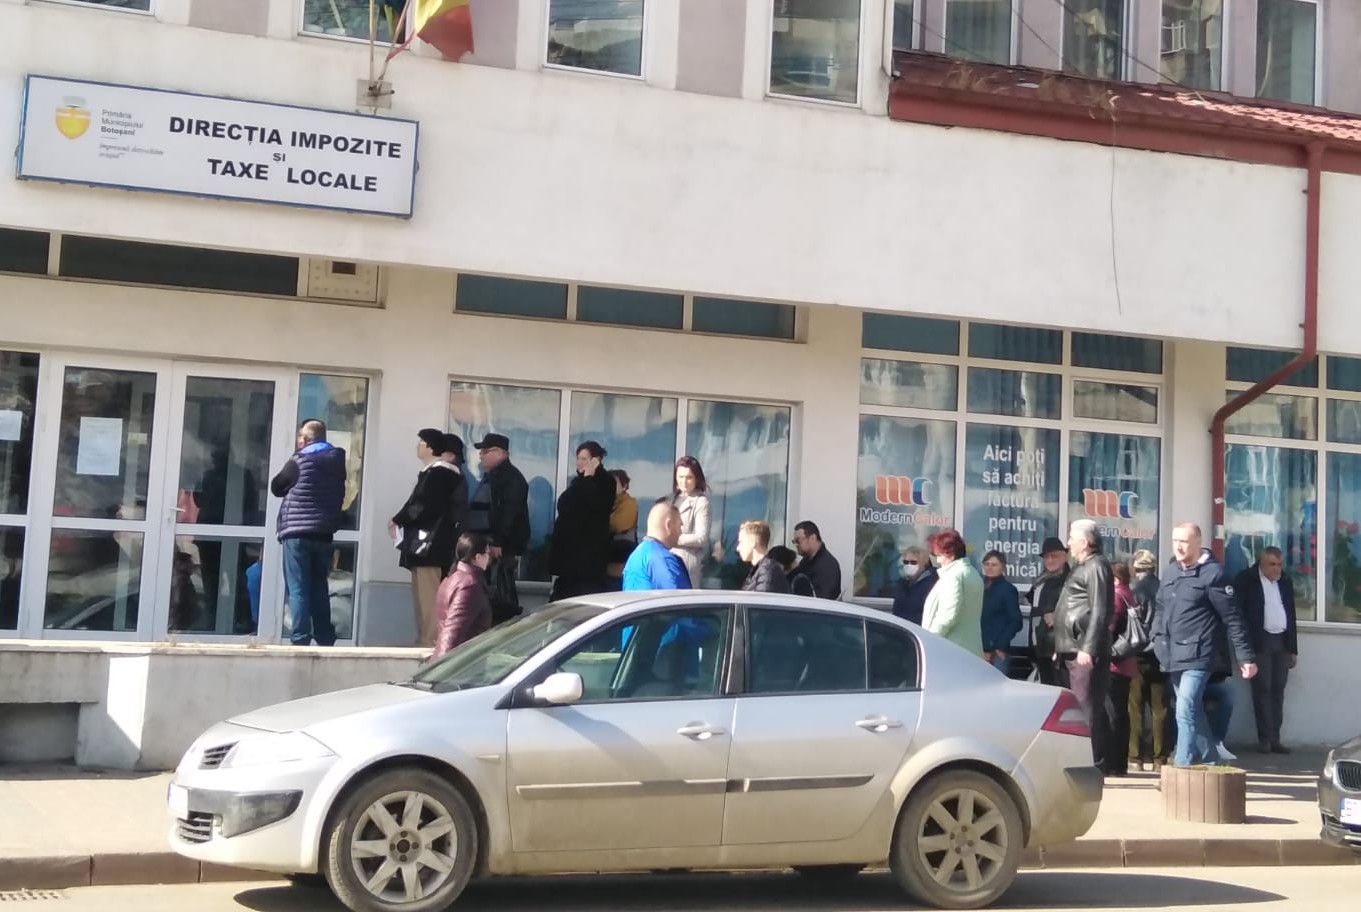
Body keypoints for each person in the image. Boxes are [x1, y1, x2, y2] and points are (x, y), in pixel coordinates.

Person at [1153, 522, 1258, 768]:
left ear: (1198, 543)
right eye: (1175, 541)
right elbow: (1160, 608)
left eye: (1184, 541)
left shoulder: (1214, 575)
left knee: (1185, 707)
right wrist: (1157, 637)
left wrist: (1245, 657)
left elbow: (1233, 618)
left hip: (1200, 654)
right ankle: (1211, 759)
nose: (1179, 546)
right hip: (1171, 653)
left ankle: (1182, 765)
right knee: (1192, 710)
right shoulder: (1171, 572)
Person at [270, 419, 346, 646]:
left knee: (298, 588)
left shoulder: (300, 460)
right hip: (323, 533)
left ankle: (300, 637)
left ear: (305, 439)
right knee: (319, 586)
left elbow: (277, 487)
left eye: (300, 436)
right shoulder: (337, 462)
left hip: (297, 533)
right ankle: (324, 636)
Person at [389, 428, 467, 648]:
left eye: (422, 443)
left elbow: (423, 505)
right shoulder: (434, 473)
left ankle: (430, 642)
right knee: (422, 596)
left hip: (431, 545)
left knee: (429, 597)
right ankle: (425, 639)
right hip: (426, 545)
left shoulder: (440, 474)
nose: (418, 446)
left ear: (432, 448)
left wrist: (399, 519)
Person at [1054, 519, 1115, 771]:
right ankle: (1078, 759)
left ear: (1085, 542)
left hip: (1084, 651)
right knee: (1075, 708)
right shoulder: (1083, 567)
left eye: (1072, 538)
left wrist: (1088, 648)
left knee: (1086, 708)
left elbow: (1100, 610)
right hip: (1072, 648)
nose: (1068, 543)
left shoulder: (1097, 566)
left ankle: (1089, 762)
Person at [1233, 546, 1299, 754]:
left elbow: (1291, 614)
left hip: (1281, 642)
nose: (1277, 569)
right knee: (1263, 690)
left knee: (1278, 689)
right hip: (1259, 642)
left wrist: (1293, 648)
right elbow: (1237, 615)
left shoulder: (1284, 581)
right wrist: (1244, 650)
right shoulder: (1247, 580)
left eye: (1279, 564)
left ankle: (1275, 738)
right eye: (1272, 564)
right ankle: (1265, 739)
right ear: (1261, 563)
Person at [467, 433, 530, 625]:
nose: (481, 456)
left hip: (500, 547)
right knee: (488, 590)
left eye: (485, 451)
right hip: (487, 544)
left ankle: (504, 627)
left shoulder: (511, 478)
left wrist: (498, 542)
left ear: (500, 453)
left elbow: (510, 512)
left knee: (500, 591)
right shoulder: (493, 476)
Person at [548, 441, 616, 600]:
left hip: (587, 556)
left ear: (596, 460)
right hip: (569, 555)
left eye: (584, 459)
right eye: (578, 458)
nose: (579, 462)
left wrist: (589, 478)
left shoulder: (605, 481)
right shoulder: (578, 481)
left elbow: (591, 505)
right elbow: (564, 505)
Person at [1127, 549, 1169, 771]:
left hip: (1137, 653)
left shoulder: (1133, 590)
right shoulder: (1164, 589)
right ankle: (1160, 758)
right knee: (1160, 709)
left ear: (1135, 567)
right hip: (1160, 652)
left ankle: (1135, 757)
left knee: (1135, 707)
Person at [920, 529, 984, 655]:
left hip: (950, 648)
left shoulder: (953, 576)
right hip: (970, 648)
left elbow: (947, 616)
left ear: (951, 554)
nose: (938, 560)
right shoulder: (972, 573)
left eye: (939, 555)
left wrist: (930, 639)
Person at [432, 532, 494, 659]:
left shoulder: (451, 579)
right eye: (488, 553)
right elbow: (452, 632)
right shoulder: (469, 585)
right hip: (463, 663)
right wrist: (443, 667)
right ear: (478, 557)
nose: (489, 558)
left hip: (461, 661)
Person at [1105, 562, 1141, 777]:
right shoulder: (1129, 594)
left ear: (1115, 579)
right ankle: (1120, 763)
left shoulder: (1116, 596)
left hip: (1113, 663)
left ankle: (1111, 763)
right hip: (1126, 663)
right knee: (1121, 713)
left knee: (1111, 714)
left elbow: (1108, 627)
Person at [1026, 537, 1071, 686]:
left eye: (1054, 556)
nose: (1050, 560)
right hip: (1040, 644)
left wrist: (1057, 616)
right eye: (1047, 557)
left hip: (1058, 647)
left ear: (1064, 556)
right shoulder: (1041, 580)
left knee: (1060, 688)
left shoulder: (1069, 580)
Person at [622, 501, 692, 591]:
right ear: (668, 525)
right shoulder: (664, 559)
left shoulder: (634, 557)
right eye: (679, 526)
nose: (681, 532)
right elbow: (679, 597)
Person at [671, 456, 711, 588]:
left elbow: (701, 537)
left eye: (689, 477)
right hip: (669, 557)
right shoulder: (672, 498)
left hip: (687, 562)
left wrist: (673, 538)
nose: (684, 482)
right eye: (680, 477)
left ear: (696, 478)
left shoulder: (701, 502)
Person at [980, 550, 1023, 673]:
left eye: (994, 565)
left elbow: (1016, 621)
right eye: (987, 564)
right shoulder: (979, 586)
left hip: (996, 652)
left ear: (1003, 567)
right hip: (978, 648)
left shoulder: (1008, 590)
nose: (990, 567)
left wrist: (1000, 646)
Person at [604, 469, 639, 590]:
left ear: (624, 486)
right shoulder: (605, 502)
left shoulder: (629, 504)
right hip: (605, 562)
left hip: (621, 560)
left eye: (614, 483)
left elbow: (618, 524)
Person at [791, 520, 842, 600]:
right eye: (794, 541)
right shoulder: (806, 561)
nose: (796, 545)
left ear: (812, 538)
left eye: (798, 540)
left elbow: (823, 600)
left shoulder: (828, 565)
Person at [738, 520, 791, 593]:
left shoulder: (768, 570)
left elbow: (762, 599)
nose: (738, 548)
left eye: (741, 542)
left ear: (752, 542)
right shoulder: (760, 569)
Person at [891, 545, 938, 625]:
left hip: (919, 628)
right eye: (906, 562)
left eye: (913, 562)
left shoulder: (932, 584)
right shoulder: (902, 584)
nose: (909, 565)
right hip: (900, 627)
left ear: (924, 563)